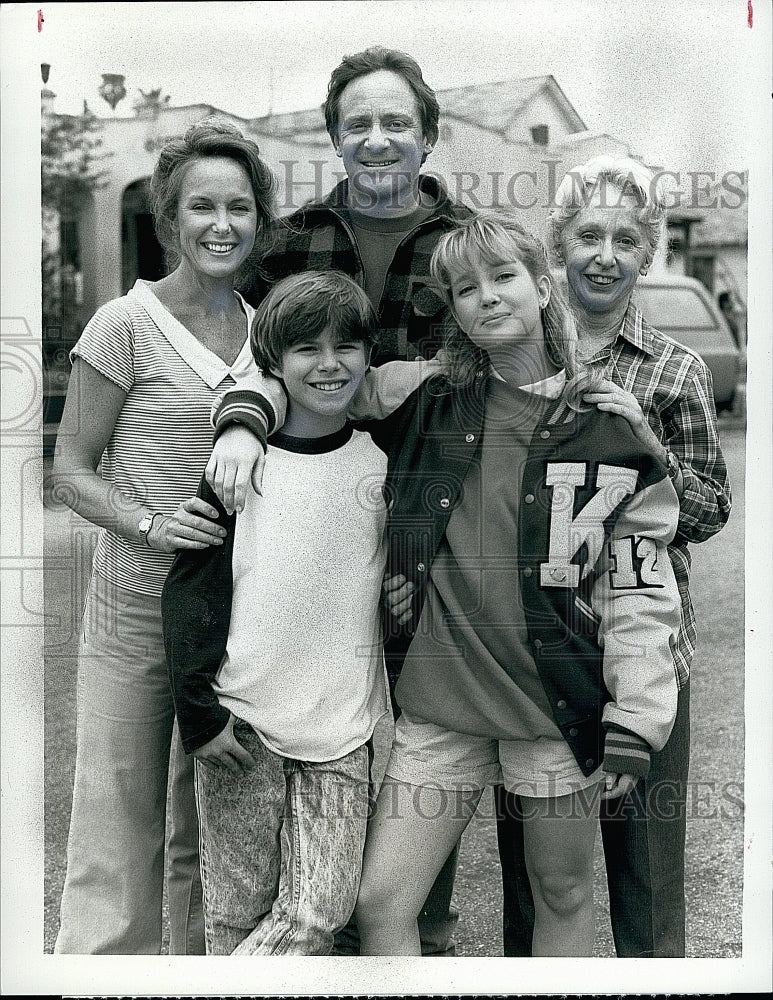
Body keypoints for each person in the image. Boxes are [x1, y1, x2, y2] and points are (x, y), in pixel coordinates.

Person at [350, 211, 682, 956]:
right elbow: (313, 380)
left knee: (560, 892)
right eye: (465, 289)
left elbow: (640, 590)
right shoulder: (424, 400)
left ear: (542, 285)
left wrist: (635, 718)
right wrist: (243, 420)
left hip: (553, 712)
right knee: (380, 904)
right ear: (455, 311)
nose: (487, 298)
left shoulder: (609, 433)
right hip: (440, 710)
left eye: (503, 278)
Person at [207, 44, 471, 957]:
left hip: (435, 531)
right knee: (303, 723)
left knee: (426, 743)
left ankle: (415, 936)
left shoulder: (470, 245)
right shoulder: (287, 243)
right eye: (357, 122)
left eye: (396, 120)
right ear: (334, 139)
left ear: (427, 135)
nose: (377, 138)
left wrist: (425, 370)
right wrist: (242, 423)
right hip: (312, 514)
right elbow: (256, 359)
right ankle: (292, 937)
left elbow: (509, 353)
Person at [495, 156, 732, 958]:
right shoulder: (519, 350)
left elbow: (706, 512)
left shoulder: (676, 370)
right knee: (533, 883)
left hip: (648, 658)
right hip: (533, 652)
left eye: (624, 239)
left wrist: (646, 443)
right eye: (587, 234)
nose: (603, 253)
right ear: (557, 246)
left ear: (646, 254)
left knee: (646, 879)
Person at [50, 118, 276, 954]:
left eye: (241, 208)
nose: (223, 225)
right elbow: (69, 471)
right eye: (202, 208)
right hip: (136, 605)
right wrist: (148, 521)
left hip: (231, 620)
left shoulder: (269, 329)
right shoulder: (124, 323)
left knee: (204, 833)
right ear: (169, 220)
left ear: (260, 219)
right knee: (118, 819)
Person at [161, 271, 392, 955]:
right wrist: (200, 716)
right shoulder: (238, 465)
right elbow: (192, 594)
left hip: (342, 731)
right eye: (305, 350)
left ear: (366, 354)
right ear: (274, 364)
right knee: (235, 915)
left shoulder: (381, 464)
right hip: (242, 727)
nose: (328, 364)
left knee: (319, 912)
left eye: (345, 346)